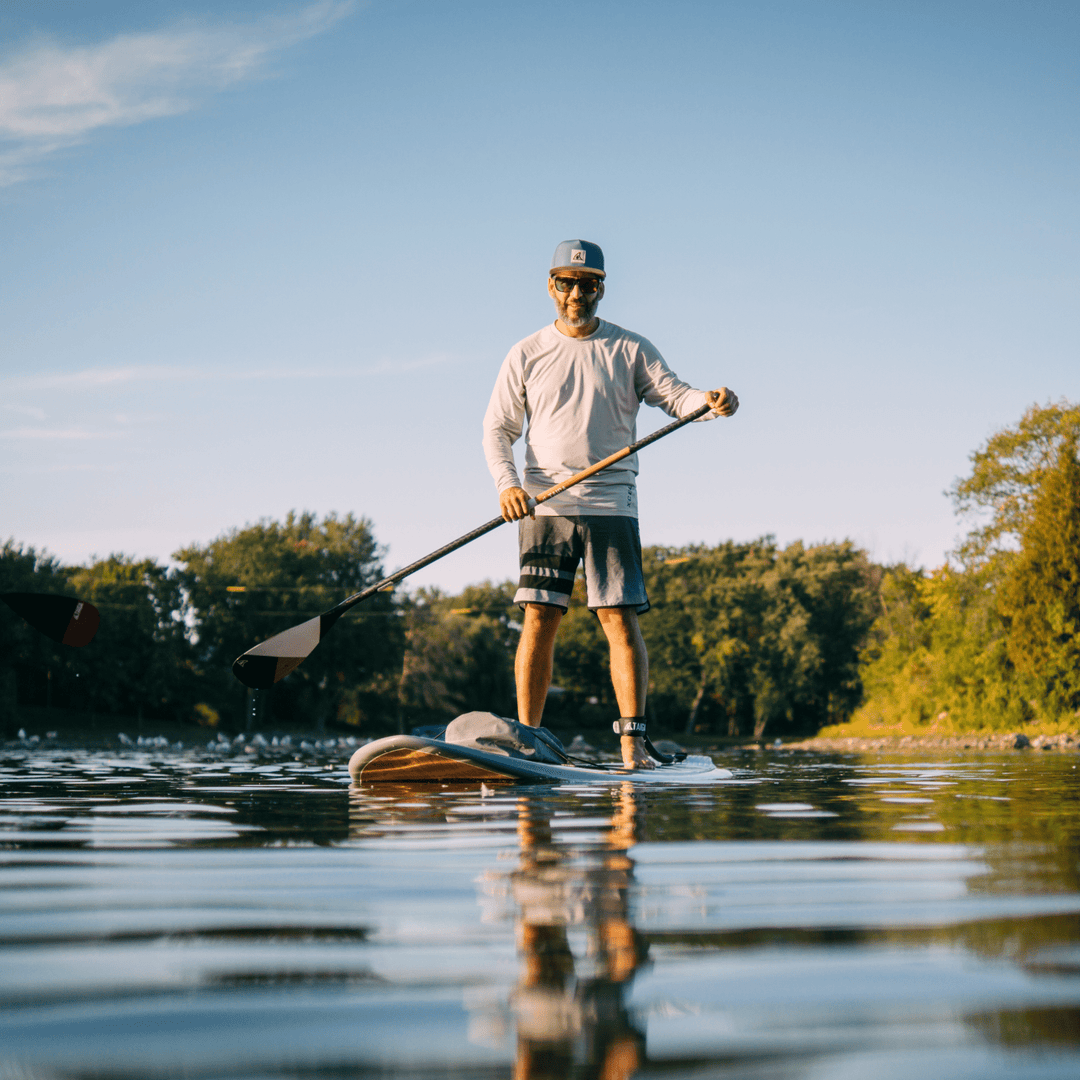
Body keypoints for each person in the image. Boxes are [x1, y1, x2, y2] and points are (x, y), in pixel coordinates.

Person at [482, 239, 738, 769]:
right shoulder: (526, 352)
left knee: (619, 619)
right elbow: (497, 430)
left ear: (602, 288)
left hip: (612, 503)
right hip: (545, 506)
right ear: (551, 287)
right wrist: (508, 485)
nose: (578, 293)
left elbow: (676, 396)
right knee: (539, 617)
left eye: (589, 284)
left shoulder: (630, 349)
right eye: (567, 283)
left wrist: (709, 404)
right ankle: (529, 741)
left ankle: (632, 746)